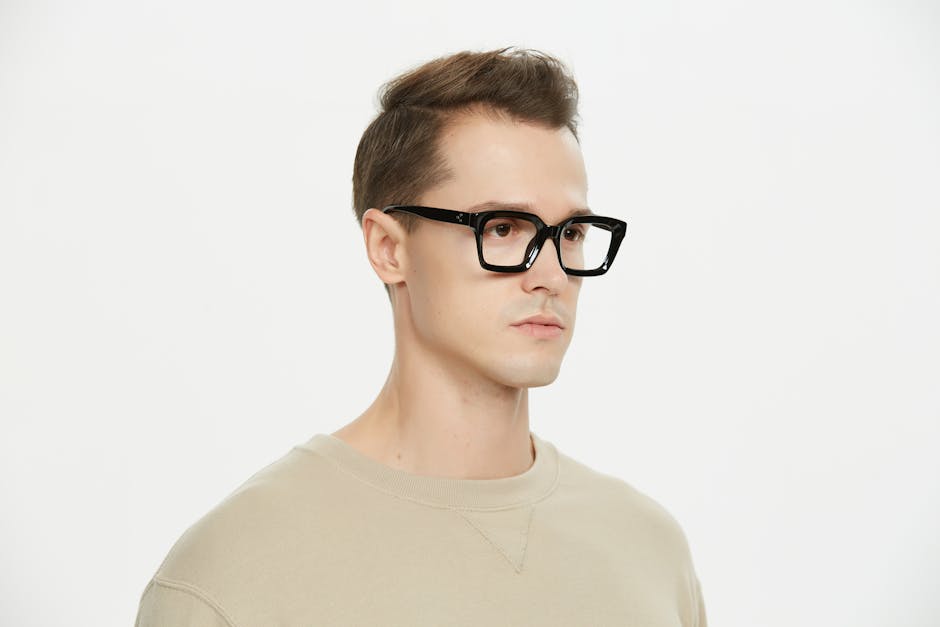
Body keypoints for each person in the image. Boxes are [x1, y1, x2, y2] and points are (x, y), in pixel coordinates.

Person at [135, 47, 707, 626]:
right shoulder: (229, 577)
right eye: (504, 227)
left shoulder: (649, 552)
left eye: (573, 232)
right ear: (389, 248)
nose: (553, 275)